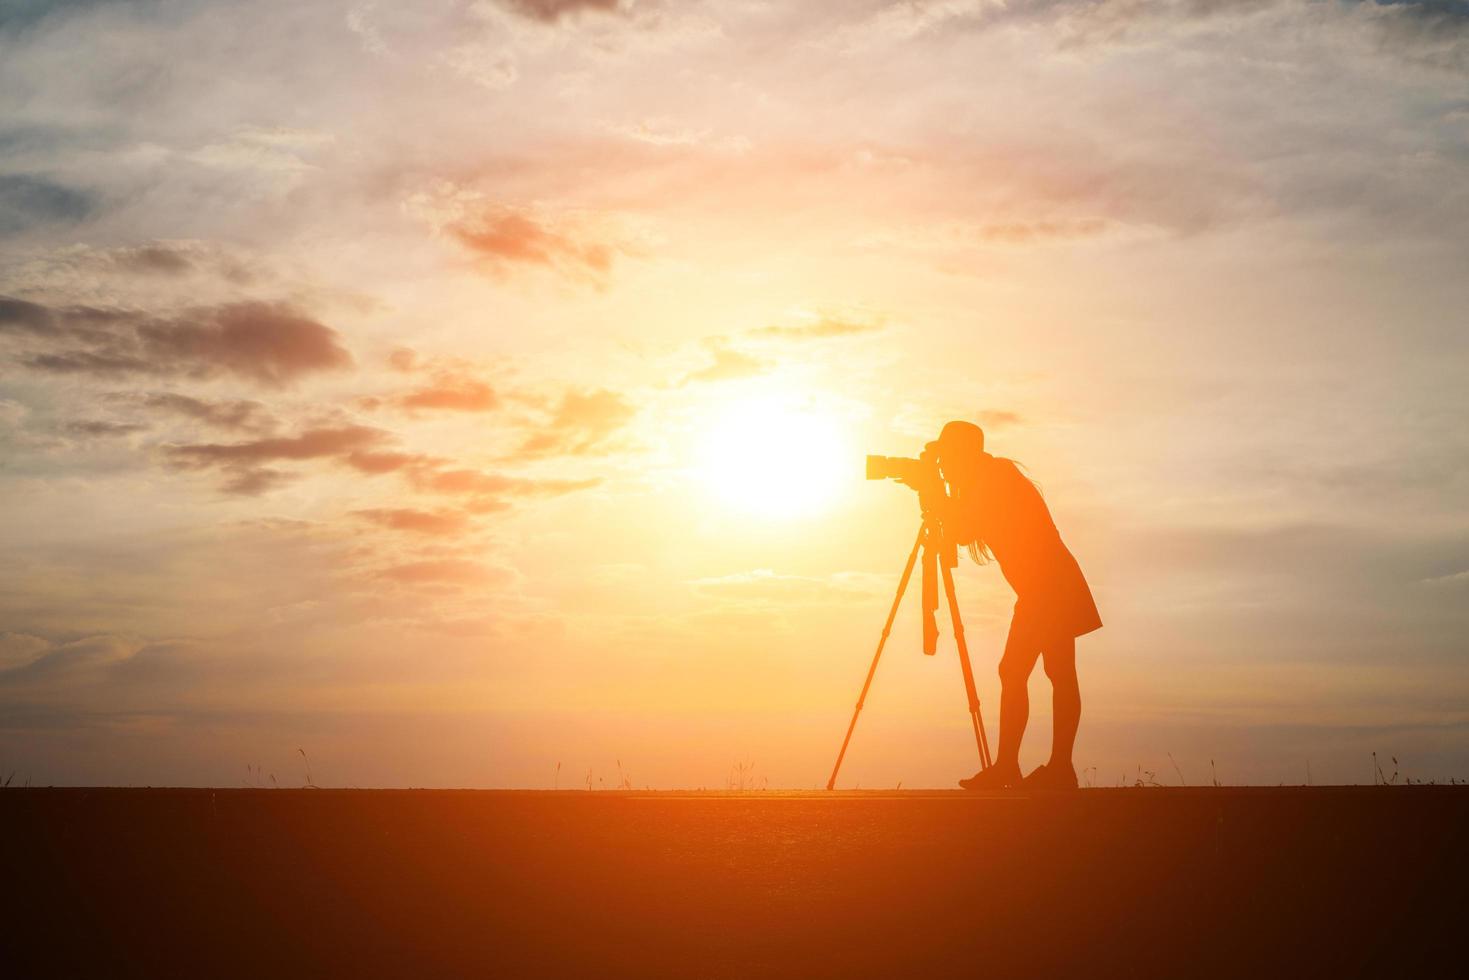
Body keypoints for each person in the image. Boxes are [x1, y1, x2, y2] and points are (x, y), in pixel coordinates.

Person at [931, 420, 1101, 791]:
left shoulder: (994, 478)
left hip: (1048, 585)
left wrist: (935, 497)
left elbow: (962, 530)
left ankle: (1025, 766)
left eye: (946, 454)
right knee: (1054, 672)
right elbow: (965, 530)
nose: (943, 462)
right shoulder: (987, 477)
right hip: (1047, 585)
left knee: (1021, 671)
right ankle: (1054, 768)